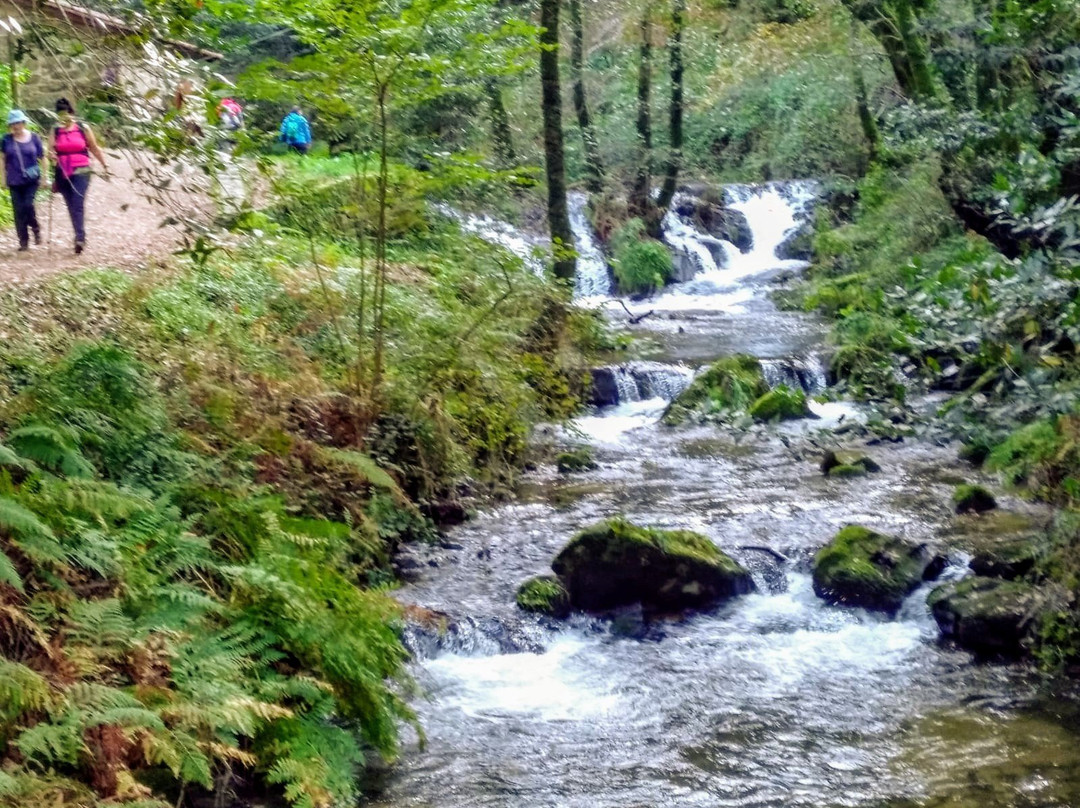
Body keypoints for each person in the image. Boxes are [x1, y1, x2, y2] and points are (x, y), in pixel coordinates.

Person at [48, 97, 108, 255]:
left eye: (65, 113)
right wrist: (52, 156)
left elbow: (94, 148)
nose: (63, 117)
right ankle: (78, 235)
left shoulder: (82, 127)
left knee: (77, 201)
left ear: (71, 112)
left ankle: (80, 237)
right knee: (71, 205)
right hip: (62, 171)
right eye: (60, 114)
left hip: (82, 169)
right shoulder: (55, 130)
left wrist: (105, 165)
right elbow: (50, 151)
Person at [2, 110, 44, 252]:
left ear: (24, 123)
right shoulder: (6, 140)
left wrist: (45, 177)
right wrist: (2, 179)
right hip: (14, 180)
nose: (16, 126)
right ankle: (23, 241)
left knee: (28, 205)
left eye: (18, 123)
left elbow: (42, 158)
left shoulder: (34, 138)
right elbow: (2, 159)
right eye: (13, 123)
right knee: (18, 211)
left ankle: (35, 228)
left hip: (31, 180)